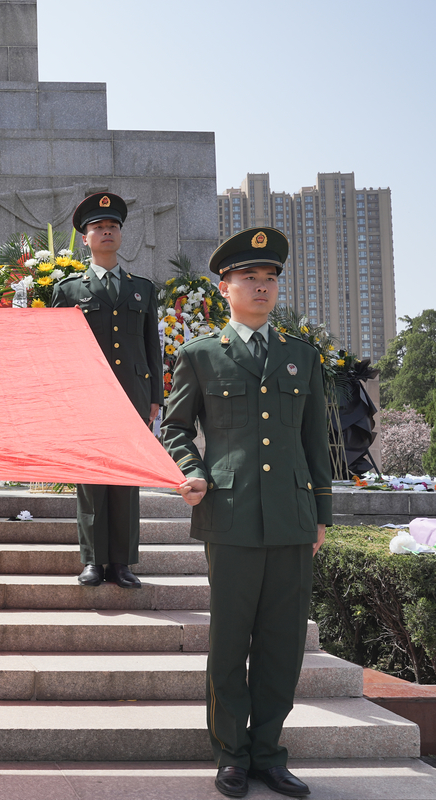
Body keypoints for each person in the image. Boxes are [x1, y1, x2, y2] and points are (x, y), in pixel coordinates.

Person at [162, 227, 330, 798]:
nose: (262, 287)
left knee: (283, 643)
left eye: (271, 279)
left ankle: (269, 754)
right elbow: (176, 428)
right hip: (230, 515)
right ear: (224, 287)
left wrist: (322, 514)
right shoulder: (200, 355)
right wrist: (191, 468)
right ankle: (231, 754)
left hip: (290, 517)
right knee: (231, 642)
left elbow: (315, 446)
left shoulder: (301, 357)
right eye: (250, 279)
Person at [50, 192, 161, 588]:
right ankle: (94, 560)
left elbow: (152, 346)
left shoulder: (142, 289)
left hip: (132, 393)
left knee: (125, 480)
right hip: (86, 396)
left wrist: (155, 399)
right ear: (85, 238)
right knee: (91, 479)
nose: (106, 232)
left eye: (112, 226)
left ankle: (123, 563)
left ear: (120, 234)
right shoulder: (67, 291)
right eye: (98, 227)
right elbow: (58, 350)